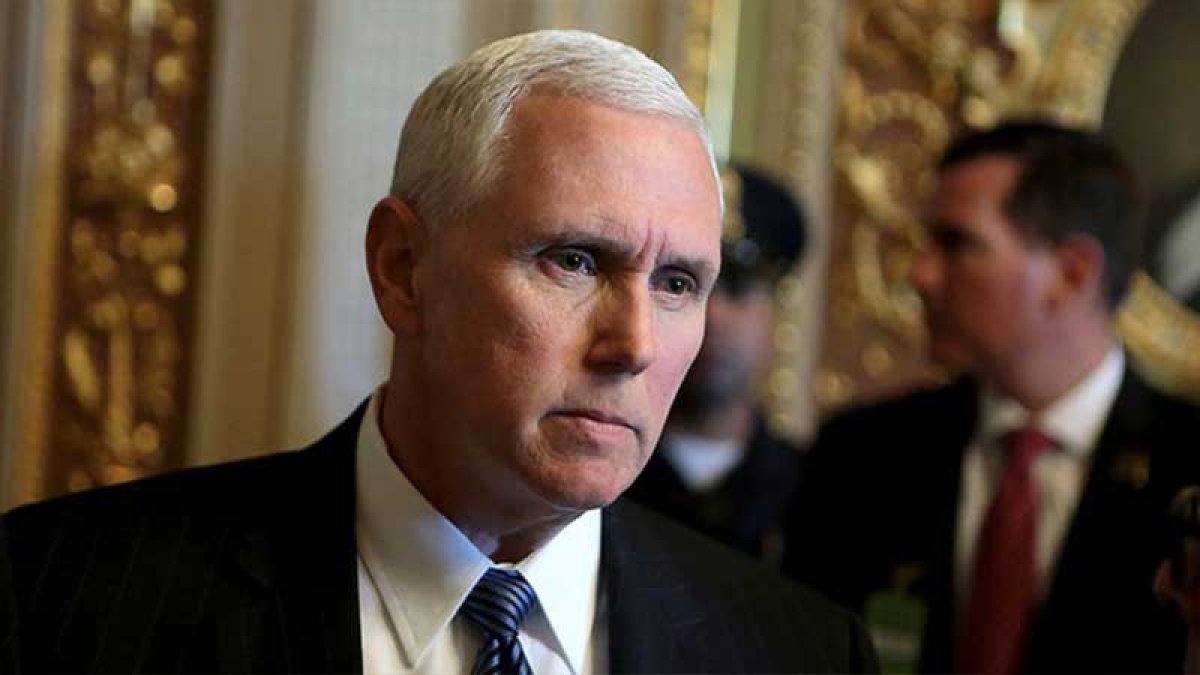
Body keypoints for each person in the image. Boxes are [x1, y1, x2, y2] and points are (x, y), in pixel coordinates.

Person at [0, 30, 877, 673]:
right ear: (402, 268)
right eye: (575, 261)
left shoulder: (803, 650)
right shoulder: (61, 597)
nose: (635, 345)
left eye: (678, 283)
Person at [784, 121, 1200, 673]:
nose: (921, 274)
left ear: (1071, 273)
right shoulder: (861, 455)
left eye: (958, 244)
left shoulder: (1188, 462)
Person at [626, 163, 806, 566]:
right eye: (680, 286)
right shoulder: (600, 475)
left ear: (775, 310)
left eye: (738, 290)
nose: (713, 317)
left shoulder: (816, 489)